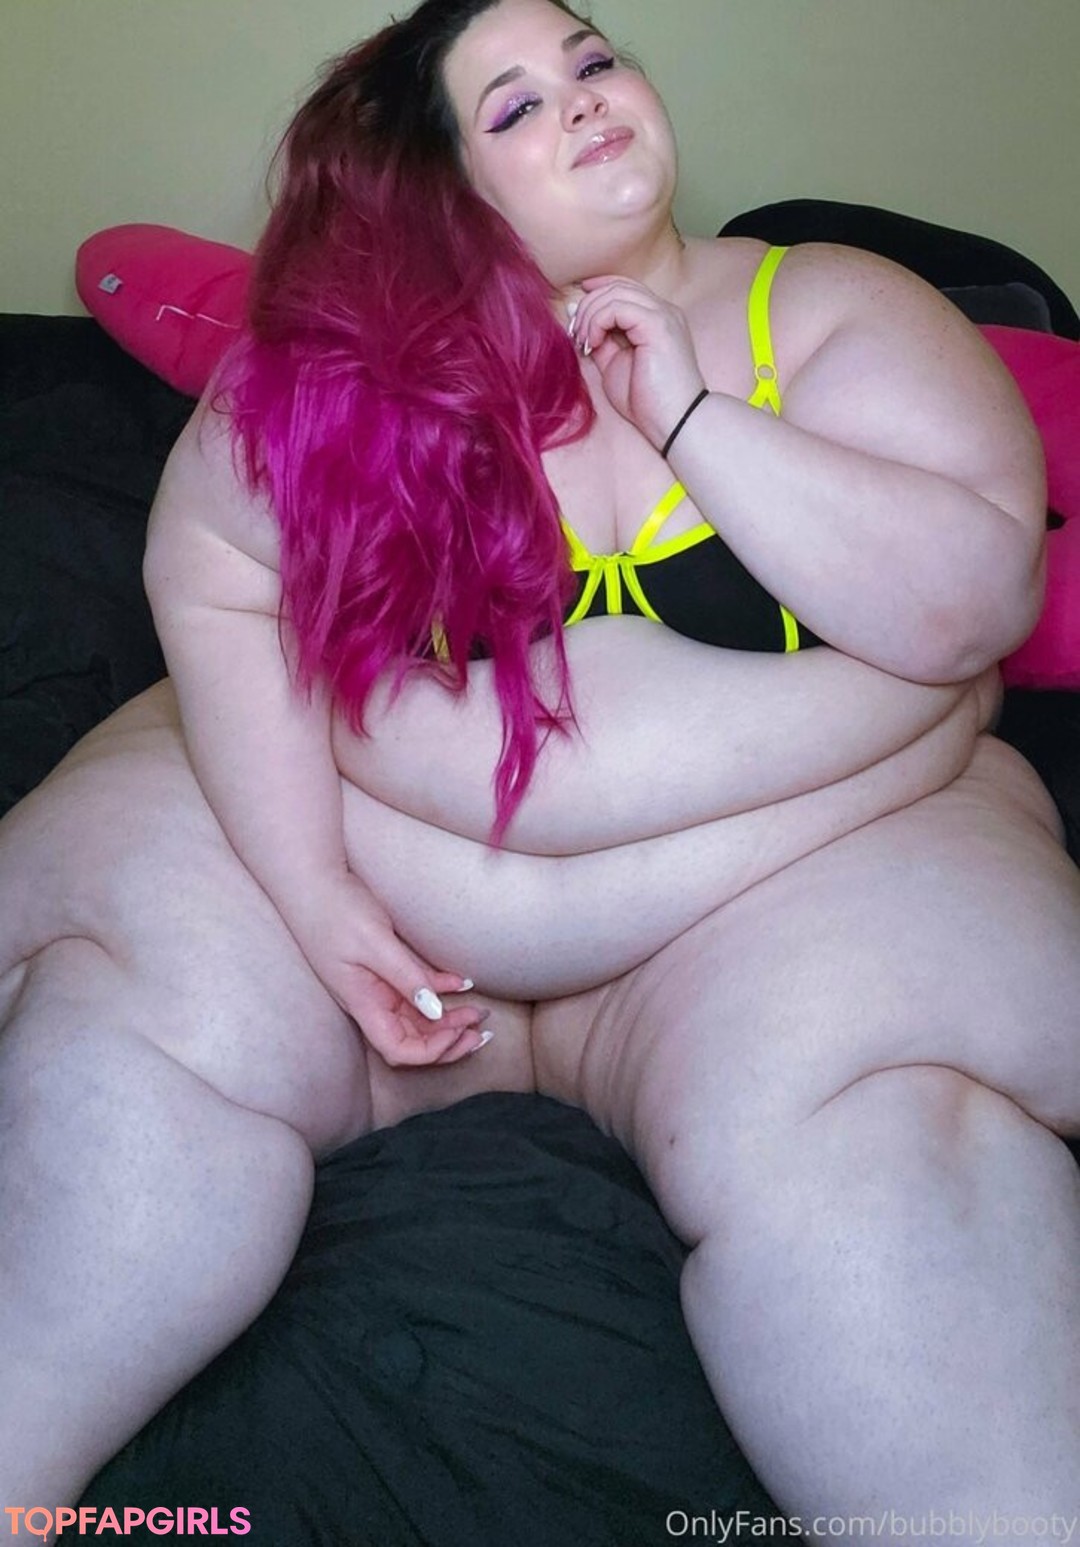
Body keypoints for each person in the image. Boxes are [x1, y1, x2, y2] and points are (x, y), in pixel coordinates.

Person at [1, 0, 1078, 1535]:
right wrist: (314, 895)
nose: (579, 99)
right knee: (133, 1070)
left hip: (779, 907)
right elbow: (216, 576)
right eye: (509, 106)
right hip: (388, 908)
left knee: (882, 1172)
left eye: (589, 60)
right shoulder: (341, 378)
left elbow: (973, 598)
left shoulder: (836, 309)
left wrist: (689, 415)